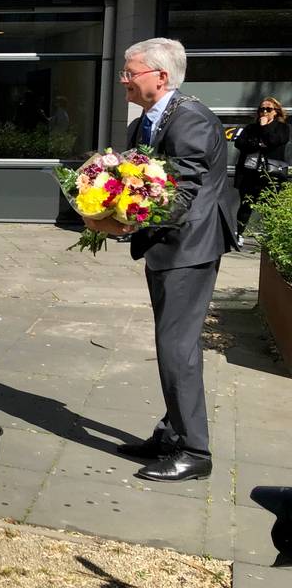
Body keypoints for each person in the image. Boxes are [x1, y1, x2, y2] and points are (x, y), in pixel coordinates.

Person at [87, 37, 239, 482]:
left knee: (177, 349)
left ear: (161, 76)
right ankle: (172, 433)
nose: (124, 81)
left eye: (130, 73)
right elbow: (138, 179)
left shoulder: (190, 120)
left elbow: (184, 193)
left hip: (190, 250)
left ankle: (195, 451)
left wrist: (127, 223)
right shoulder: (145, 124)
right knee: (173, 346)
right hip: (166, 248)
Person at [233, 97, 289, 239]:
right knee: (246, 204)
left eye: (268, 109)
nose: (264, 112)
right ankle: (239, 233)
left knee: (271, 205)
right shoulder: (251, 128)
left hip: (271, 173)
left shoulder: (282, 128)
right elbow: (239, 143)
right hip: (250, 173)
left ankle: (270, 235)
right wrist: (259, 144)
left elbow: (275, 141)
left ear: (276, 112)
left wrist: (264, 128)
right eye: (262, 109)